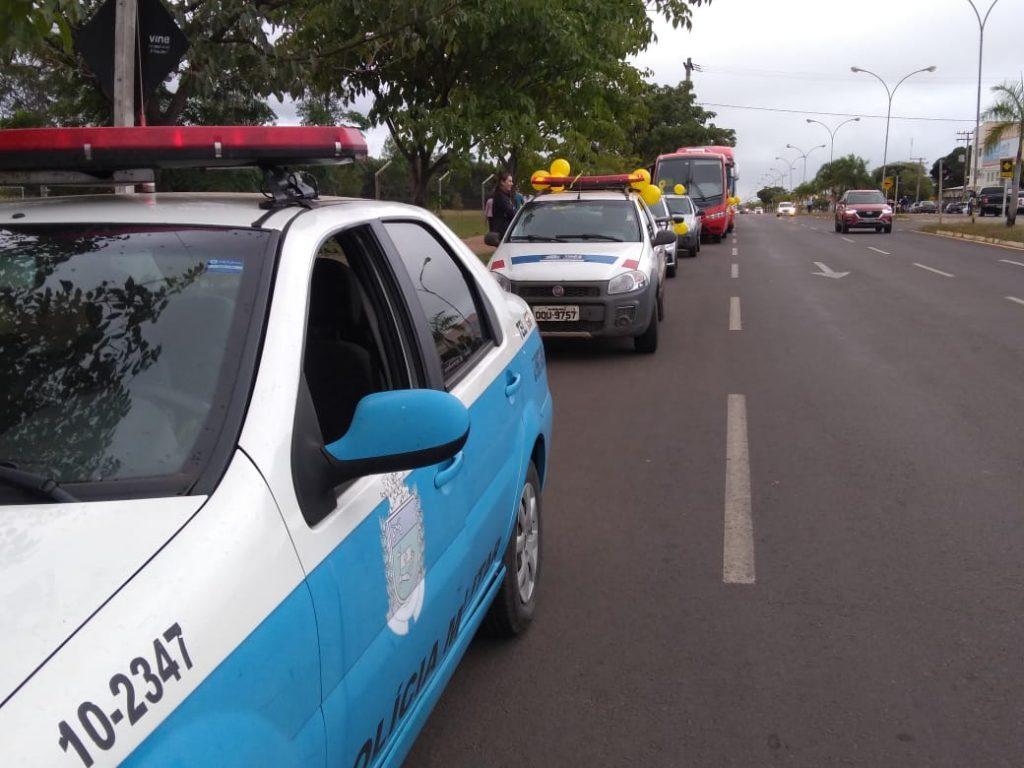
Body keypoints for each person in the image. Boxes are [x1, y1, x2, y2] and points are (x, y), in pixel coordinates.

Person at [489, 171, 516, 236]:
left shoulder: (504, 195)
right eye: (509, 181)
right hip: (503, 233)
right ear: (502, 182)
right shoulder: (500, 196)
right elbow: (510, 212)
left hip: (505, 231)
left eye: (511, 181)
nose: (512, 183)